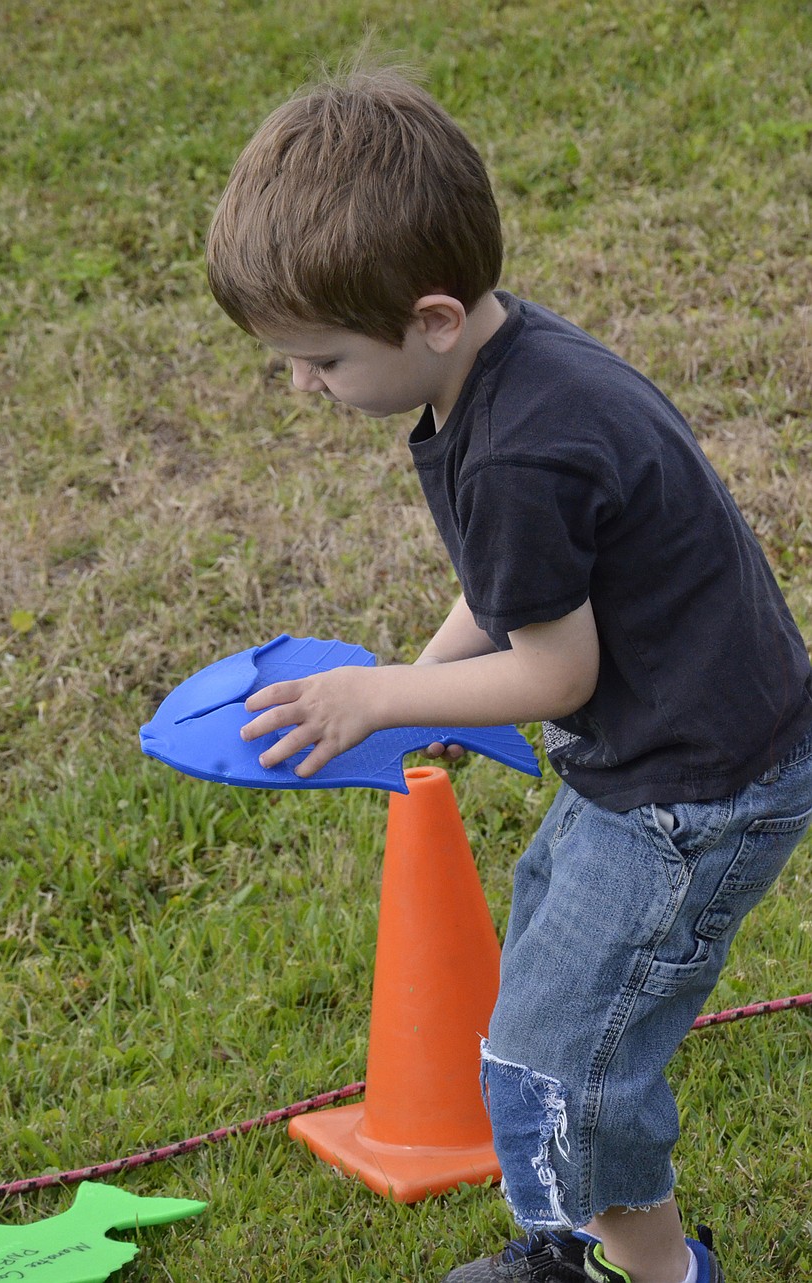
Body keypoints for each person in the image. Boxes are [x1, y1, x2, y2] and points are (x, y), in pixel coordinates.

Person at [204, 62, 812, 1283]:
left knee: (560, 1057)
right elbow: (511, 586)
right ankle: (580, 1245)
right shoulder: (500, 358)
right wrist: (430, 668)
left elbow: (553, 669)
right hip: (658, 756)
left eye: (321, 359)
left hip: (695, 787)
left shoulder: (521, 448)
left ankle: (648, 1274)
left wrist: (378, 692)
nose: (302, 386)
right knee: (544, 968)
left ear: (430, 318)